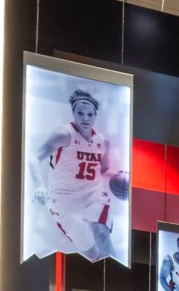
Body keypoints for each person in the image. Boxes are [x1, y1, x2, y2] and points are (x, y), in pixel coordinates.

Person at [30, 85, 124, 260]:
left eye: (90, 114)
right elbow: (33, 157)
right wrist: (39, 185)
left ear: (95, 115)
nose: (85, 118)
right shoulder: (63, 134)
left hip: (92, 193)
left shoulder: (103, 141)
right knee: (92, 256)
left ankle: (118, 275)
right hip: (63, 199)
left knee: (102, 234)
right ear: (74, 113)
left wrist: (122, 180)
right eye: (81, 113)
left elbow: (105, 170)